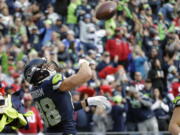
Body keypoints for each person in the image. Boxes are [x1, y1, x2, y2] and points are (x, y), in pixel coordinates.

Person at [23, 58, 110, 134]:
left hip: (51, 132)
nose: (48, 67)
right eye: (44, 67)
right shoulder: (51, 83)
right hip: (66, 131)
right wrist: (84, 62)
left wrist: (89, 101)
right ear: (37, 73)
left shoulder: (35, 90)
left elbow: (65, 108)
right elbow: (86, 74)